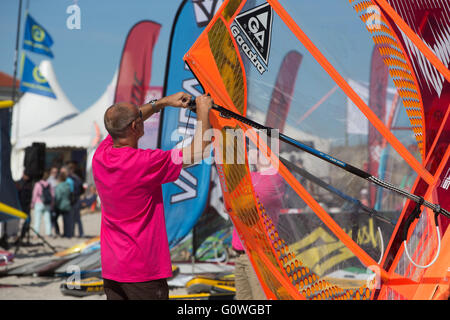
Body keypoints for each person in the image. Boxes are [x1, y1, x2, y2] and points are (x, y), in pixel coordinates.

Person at [92, 92, 212, 300]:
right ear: (135, 127)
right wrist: (203, 111)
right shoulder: (144, 162)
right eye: (139, 117)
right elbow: (200, 150)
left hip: (113, 268)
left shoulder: (101, 155)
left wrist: (162, 103)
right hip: (142, 269)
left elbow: (127, 121)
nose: (142, 116)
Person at [232, 151, 285, 300]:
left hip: (259, 254)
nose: (250, 152)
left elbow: (243, 203)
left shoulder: (275, 180)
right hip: (241, 253)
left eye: (257, 149)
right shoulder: (252, 176)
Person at [30, 171, 54, 237]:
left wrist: (32, 204)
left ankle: (36, 233)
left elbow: (34, 195)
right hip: (47, 204)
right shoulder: (49, 185)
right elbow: (52, 195)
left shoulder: (37, 184)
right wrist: (52, 204)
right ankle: (48, 233)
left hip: (38, 203)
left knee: (37, 219)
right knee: (47, 219)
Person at [54, 171, 72, 237]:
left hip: (60, 205)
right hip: (67, 204)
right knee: (67, 220)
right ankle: (68, 234)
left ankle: (58, 232)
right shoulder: (67, 185)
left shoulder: (59, 186)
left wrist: (55, 204)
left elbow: (58, 197)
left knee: (54, 219)